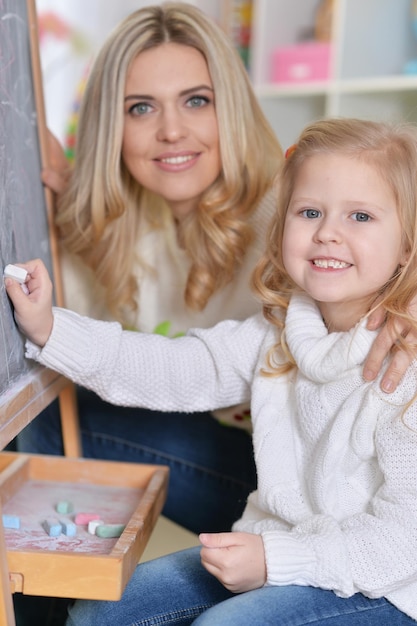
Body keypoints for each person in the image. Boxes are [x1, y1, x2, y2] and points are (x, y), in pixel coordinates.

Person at [6, 117, 417, 625]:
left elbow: (405, 540)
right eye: (309, 211)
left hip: (386, 584)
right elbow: (172, 367)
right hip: (284, 548)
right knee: (98, 615)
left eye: (360, 216)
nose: (328, 233)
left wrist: (274, 561)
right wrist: (50, 328)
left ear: (406, 245)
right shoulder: (277, 335)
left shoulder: (405, 364)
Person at [19, 1, 284, 536]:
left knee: (47, 422)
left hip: (295, 486)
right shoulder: (129, 226)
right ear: (110, 128)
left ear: (229, 107)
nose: (171, 132)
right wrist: (44, 187)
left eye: (196, 101)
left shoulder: (291, 211)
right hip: (229, 460)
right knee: (44, 403)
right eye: (140, 108)